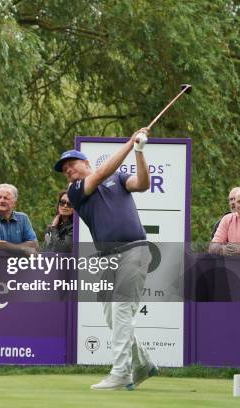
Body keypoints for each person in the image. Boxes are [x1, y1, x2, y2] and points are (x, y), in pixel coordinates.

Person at [54, 129, 157, 390]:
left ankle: (121, 372)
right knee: (113, 318)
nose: (68, 170)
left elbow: (143, 184)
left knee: (122, 311)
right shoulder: (75, 190)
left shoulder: (118, 177)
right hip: (108, 257)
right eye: (64, 168)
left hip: (135, 249)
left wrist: (140, 152)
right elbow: (100, 174)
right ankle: (143, 362)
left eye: (71, 164)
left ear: (85, 163)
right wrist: (130, 142)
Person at [0, 184, 38, 255]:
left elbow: (34, 244)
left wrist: (9, 247)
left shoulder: (23, 218)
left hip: (19, 264)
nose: (1, 200)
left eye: (6, 198)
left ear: (14, 203)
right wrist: (23, 248)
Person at [209, 188, 240, 256]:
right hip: (232, 264)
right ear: (235, 204)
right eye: (239, 201)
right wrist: (226, 249)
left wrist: (239, 250)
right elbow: (213, 247)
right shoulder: (227, 219)